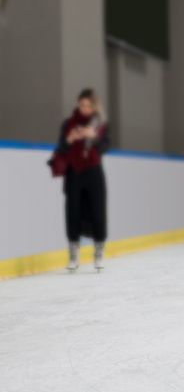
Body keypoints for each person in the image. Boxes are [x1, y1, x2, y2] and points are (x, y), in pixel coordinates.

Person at [56, 89, 110, 272]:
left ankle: (99, 251)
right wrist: (70, 139)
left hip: (94, 171)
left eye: (88, 105)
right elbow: (61, 149)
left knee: (97, 211)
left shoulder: (100, 125)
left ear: (94, 106)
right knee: (73, 211)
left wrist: (93, 137)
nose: (84, 109)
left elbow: (105, 147)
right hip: (74, 172)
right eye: (82, 105)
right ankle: (73, 252)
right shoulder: (68, 124)